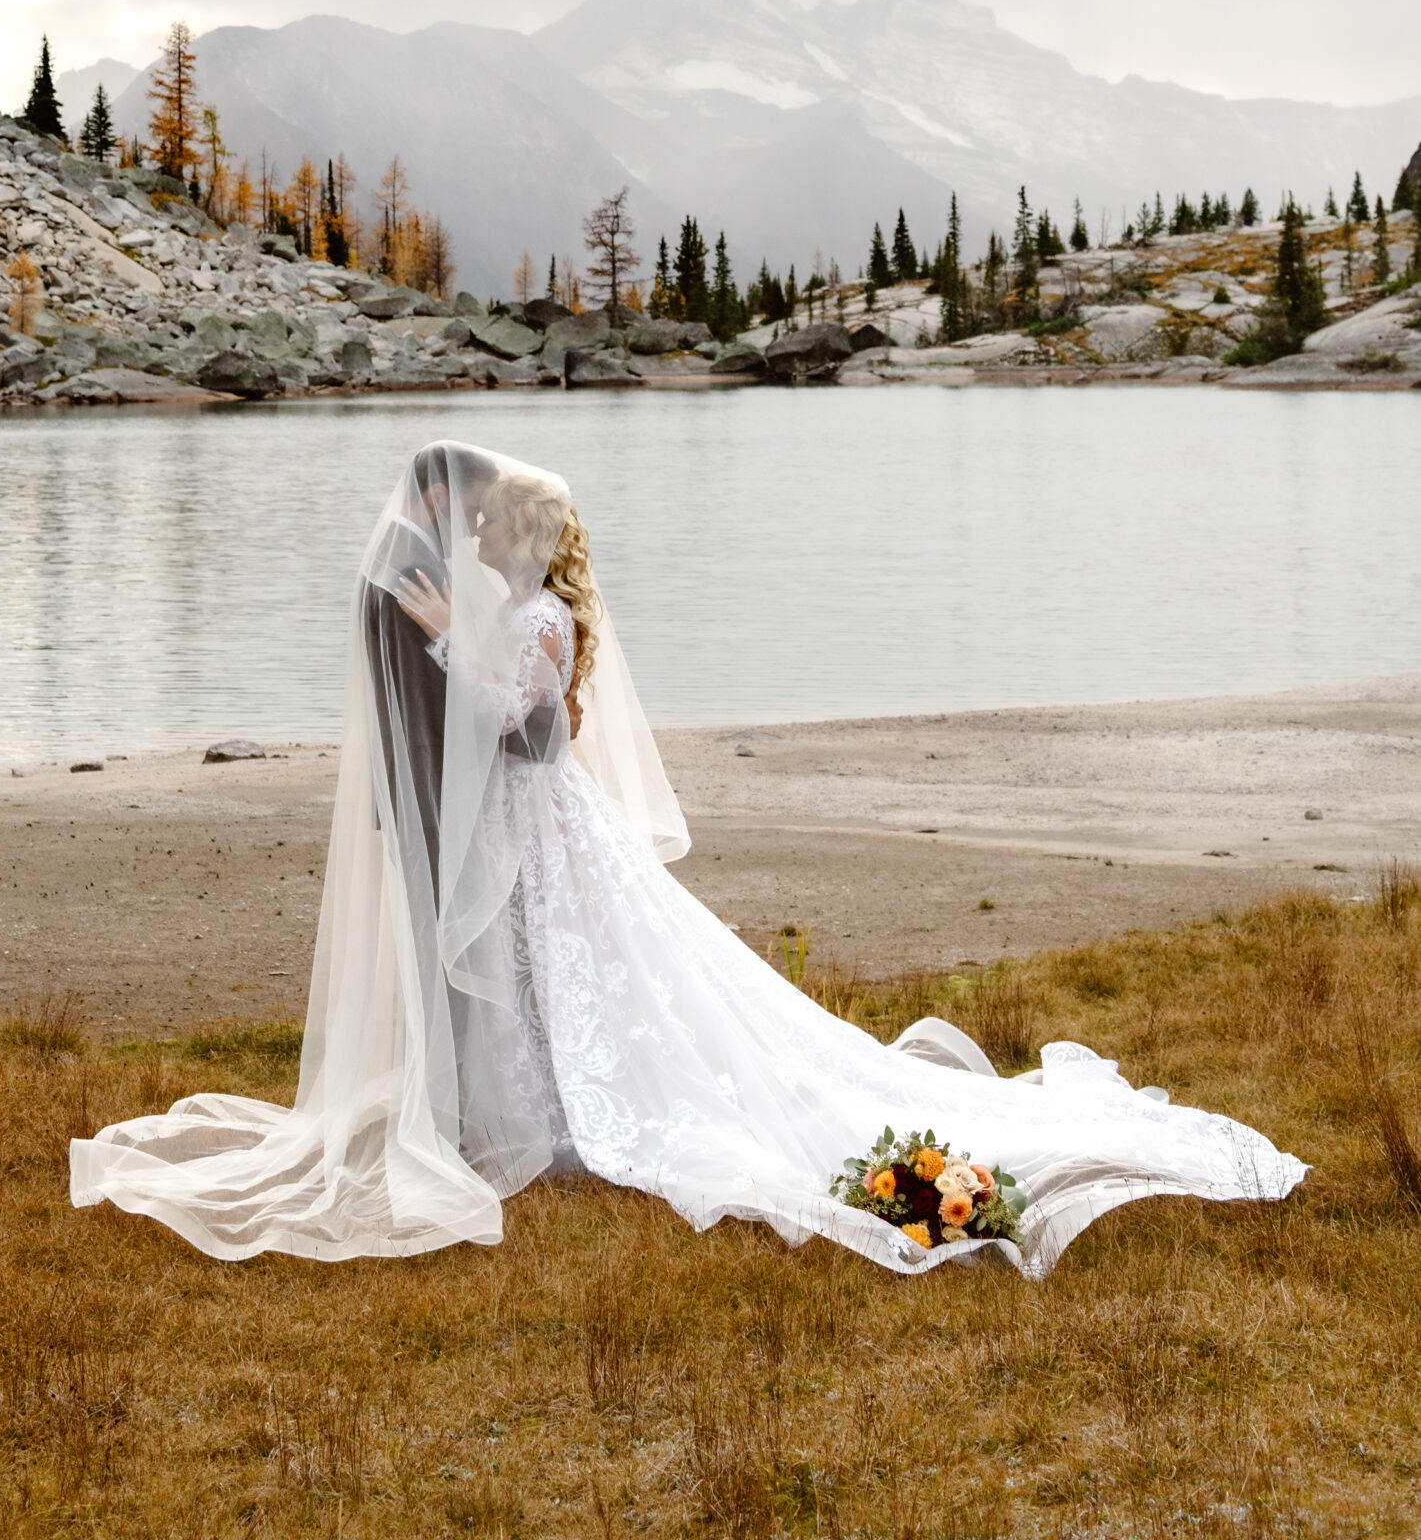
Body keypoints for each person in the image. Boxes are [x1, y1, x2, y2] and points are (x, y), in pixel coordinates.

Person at [71, 441, 1305, 1274]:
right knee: (565, 971)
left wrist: (447, 641)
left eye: (498, 521)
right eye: (479, 518)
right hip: (529, 828)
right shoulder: (516, 608)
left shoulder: (542, 616)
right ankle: (534, 1108)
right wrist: (454, 637)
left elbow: (530, 733)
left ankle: (567, 1114)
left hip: (547, 823)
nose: (484, 532)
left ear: (528, 535)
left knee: (603, 970)